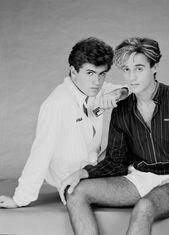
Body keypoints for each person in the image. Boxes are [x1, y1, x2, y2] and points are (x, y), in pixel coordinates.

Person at [60, 37, 169, 235]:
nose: (132, 77)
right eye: (126, 69)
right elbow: (116, 162)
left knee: (144, 207)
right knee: (75, 192)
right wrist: (85, 172)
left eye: (139, 68)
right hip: (139, 179)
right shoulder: (122, 110)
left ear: (154, 67)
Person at [0, 37, 128, 208]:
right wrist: (20, 199)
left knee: (134, 111)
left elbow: (131, 89)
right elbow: (41, 152)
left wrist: (118, 93)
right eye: (90, 73)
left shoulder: (95, 89)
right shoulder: (57, 104)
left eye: (102, 74)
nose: (97, 82)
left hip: (92, 167)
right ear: (73, 72)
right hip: (70, 178)